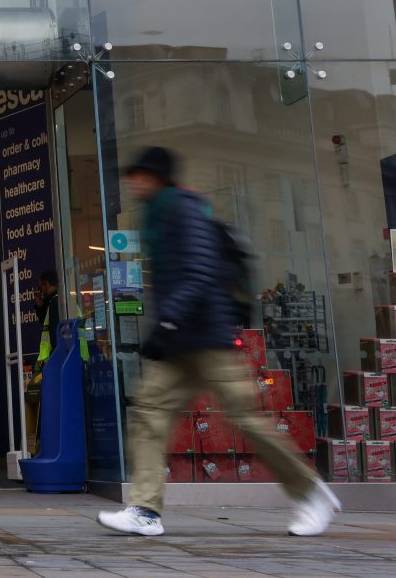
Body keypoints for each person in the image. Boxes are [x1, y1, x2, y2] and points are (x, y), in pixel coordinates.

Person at [99, 147, 339, 538]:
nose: (133, 182)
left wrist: (169, 321)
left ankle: (312, 493)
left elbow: (199, 270)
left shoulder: (182, 209)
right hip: (182, 343)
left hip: (207, 337)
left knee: (245, 418)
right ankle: (145, 509)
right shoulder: (158, 214)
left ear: (157, 177)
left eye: (139, 174)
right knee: (148, 412)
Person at [34, 270, 60, 367]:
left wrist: (54, 356)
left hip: (54, 357)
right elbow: (46, 324)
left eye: (41, 287)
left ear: (46, 284)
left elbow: (53, 331)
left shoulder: (54, 302)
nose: (41, 291)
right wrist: (40, 306)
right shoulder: (60, 299)